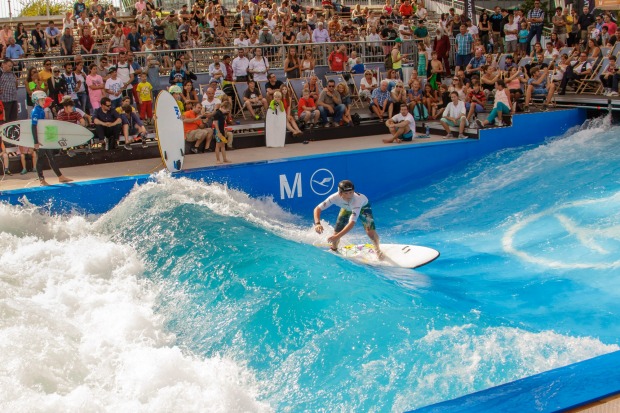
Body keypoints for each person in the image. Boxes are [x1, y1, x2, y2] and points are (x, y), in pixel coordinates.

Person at [313, 179, 383, 258]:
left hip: (364, 208)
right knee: (336, 233)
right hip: (346, 209)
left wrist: (337, 237)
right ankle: (334, 249)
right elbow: (317, 209)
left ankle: (378, 250)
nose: (349, 196)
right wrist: (317, 223)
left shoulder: (357, 200)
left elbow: (352, 223)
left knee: (370, 233)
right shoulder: (334, 197)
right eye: (346, 193)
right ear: (340, 193)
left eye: (351, 192)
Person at [30, 91, 73, 186]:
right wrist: (36, 142)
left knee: (51, 157)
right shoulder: (35, 111)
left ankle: (60, 177)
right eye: (41, 100)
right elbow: (33, 127)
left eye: (43, 99)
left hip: (44, 139)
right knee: (40, 158)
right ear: (36, 101)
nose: (43, 101)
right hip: (40, 140)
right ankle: (41, 179)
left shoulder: (41, 110)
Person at [0, 58, 19, 123]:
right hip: (5, 101)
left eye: (11, 66)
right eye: (9, 66)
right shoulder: (1, 74)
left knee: (14, 119)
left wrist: (16, 81)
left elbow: (16, 86)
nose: (10, 67)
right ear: (3, 64)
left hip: (13, 99)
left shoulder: (13, 74)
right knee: (6, 119)